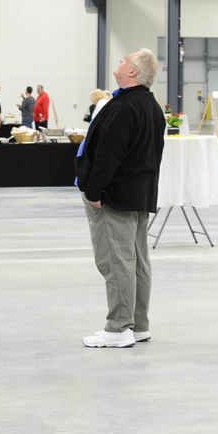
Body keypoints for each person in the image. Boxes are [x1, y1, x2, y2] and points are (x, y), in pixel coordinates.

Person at [75, 49, 165, 348]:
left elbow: (109, 155)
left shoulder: (124, 107)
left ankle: (118, 328)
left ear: (133, 72)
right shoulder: (149, 105)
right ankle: (138, 324)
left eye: (126, 59)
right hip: (137, 195)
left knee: (116, 262)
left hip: (115, 197)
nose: (121, 61)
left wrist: (94, 190)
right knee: (136, 261)